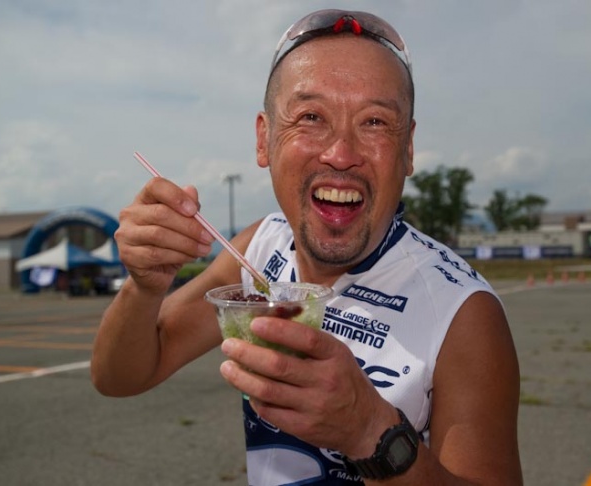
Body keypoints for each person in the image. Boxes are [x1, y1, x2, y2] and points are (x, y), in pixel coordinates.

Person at [91, 9, 522, 485]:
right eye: (311, 117)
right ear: (264, 138)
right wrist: (144, 287)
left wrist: (370, 431)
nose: (341, 153)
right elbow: (119, 377)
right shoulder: (258, 247)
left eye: (375, 122)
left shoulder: (464, 314)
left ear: (409, 149)